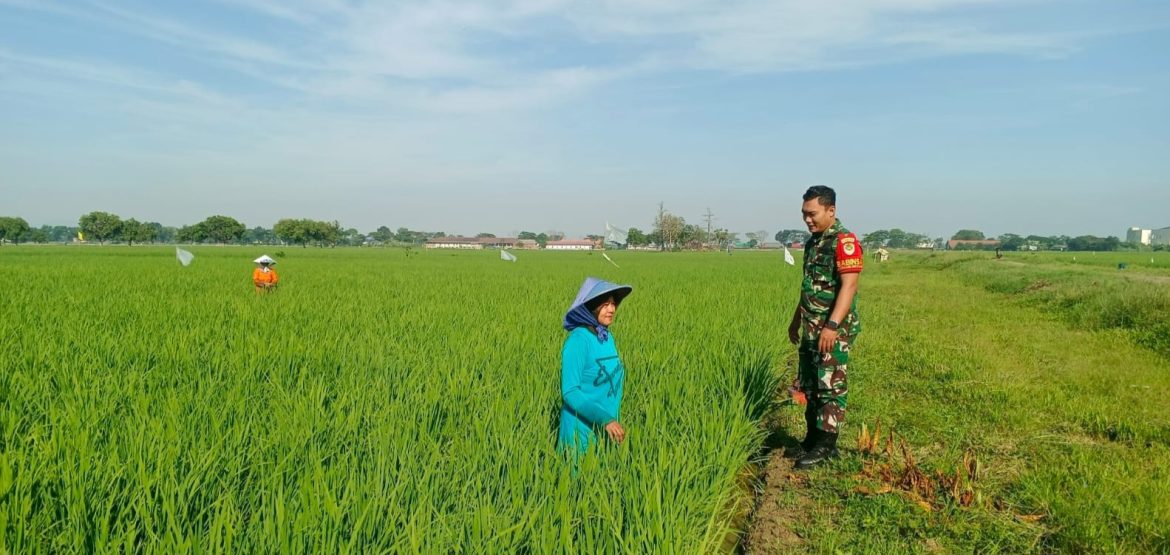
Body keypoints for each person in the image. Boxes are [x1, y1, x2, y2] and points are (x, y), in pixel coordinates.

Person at [787, 185, 864, 469]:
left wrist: (831, 326)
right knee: (810, 383)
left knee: (829, 384)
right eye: (804, 215)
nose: (807, 220)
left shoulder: (844, 242)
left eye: (812, 214)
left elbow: (849, 286)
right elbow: (808, 287)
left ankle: (826, 445)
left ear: (831, 211)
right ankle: (811, 439)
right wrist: (796, 320)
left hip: (834, 329)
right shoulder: (813, 242)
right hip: (810, 326)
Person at [558, 277, 633, 455]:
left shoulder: (606, 337)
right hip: (579, 434)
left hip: (606, 431)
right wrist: (605, 419)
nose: (612, 309)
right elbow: (570, 391)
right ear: (592, 307)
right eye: (606, 304)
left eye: (614, 304)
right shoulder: (578, 341)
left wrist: (609, 421)